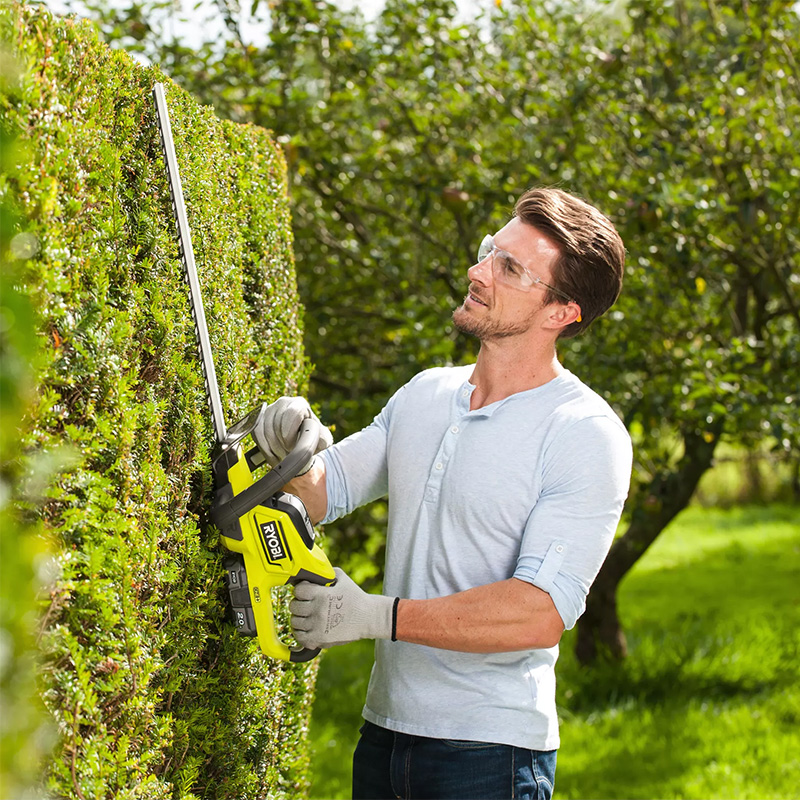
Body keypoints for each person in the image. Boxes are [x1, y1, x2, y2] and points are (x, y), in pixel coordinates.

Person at [261, 187, 633, 800]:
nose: (477, 271)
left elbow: (537, 613)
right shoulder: (426, 394)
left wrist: (378, 616)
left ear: (560, 312)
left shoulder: (583, 432)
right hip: (384, 734)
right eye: (491, 250)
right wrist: (290, 444)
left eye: (509, 268)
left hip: (490, 754)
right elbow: (326, 489)